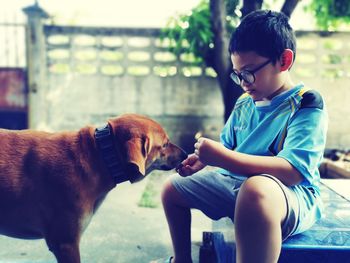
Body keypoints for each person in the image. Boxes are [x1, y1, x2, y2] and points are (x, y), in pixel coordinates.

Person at [160, 9, 328, 263]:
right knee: (171, 189)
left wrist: (224, 158)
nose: (243, 82)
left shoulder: (306, 104)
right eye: (238, 74)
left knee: (255, 189)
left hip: (288, 196)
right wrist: (202, 159)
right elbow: (228, 147)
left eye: (248, 73)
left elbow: (292, 171)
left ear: (283, 61)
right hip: (238, 186)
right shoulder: (244, 103)